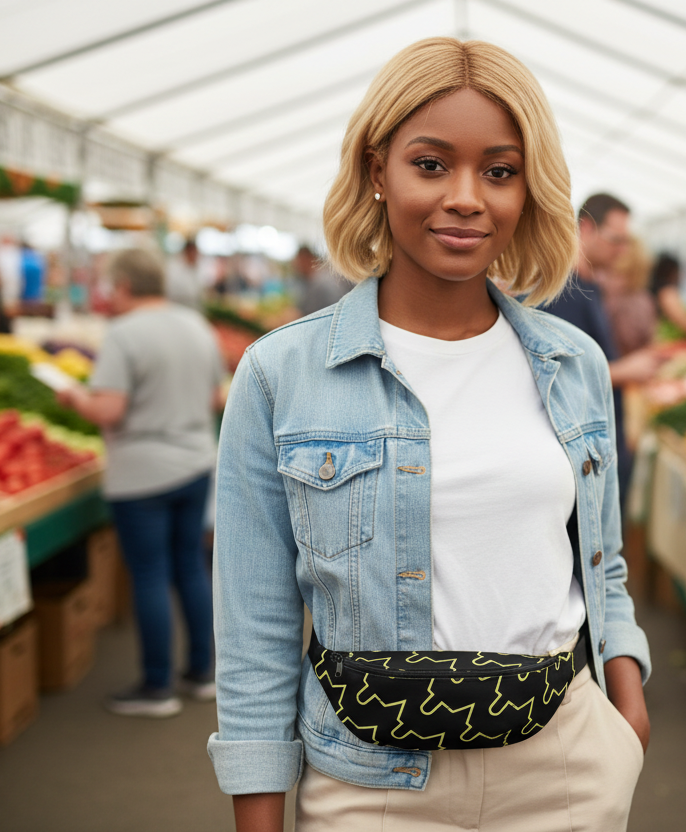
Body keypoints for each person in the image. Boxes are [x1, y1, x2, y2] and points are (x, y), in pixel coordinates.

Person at [209, 38, 650, 832]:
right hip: (370, 789)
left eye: (500, 170)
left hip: (567, 771)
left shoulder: (573, 363)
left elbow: (603, 559)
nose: (468, 197)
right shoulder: (282, 373)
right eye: (431, 164)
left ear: (528, 190)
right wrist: (258, 810)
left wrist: (627, 701)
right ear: (377, 170)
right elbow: (256, 619)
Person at [58, 248, 225, 718]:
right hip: (195, 462)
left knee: (150, 574)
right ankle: (201, 672)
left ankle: (157, 687)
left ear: (124, 286)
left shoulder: (123, 334)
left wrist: (73, 398)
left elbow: (108, 410)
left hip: (141, 471)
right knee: (191, 564)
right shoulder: (196, 325)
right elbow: (216, 396)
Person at [543, 193, 663, 507]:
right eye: (615, 240)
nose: (622, 250)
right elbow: (558, 374)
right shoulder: (563, 292)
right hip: (582, 452)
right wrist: (627, 370)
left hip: (601, 442)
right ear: (586, 228)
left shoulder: (589, 286)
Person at [599, 236, 657, 357]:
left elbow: (647, 343)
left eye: (622, 274)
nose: (613, 282)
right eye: (609, 273)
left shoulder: (641, 301)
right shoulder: (597, 297)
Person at [293, 245, 350, 316]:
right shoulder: (325, 276)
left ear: (306, 259)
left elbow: (308, 313)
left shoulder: (319, 283)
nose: (296, 266)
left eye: (298, 262)